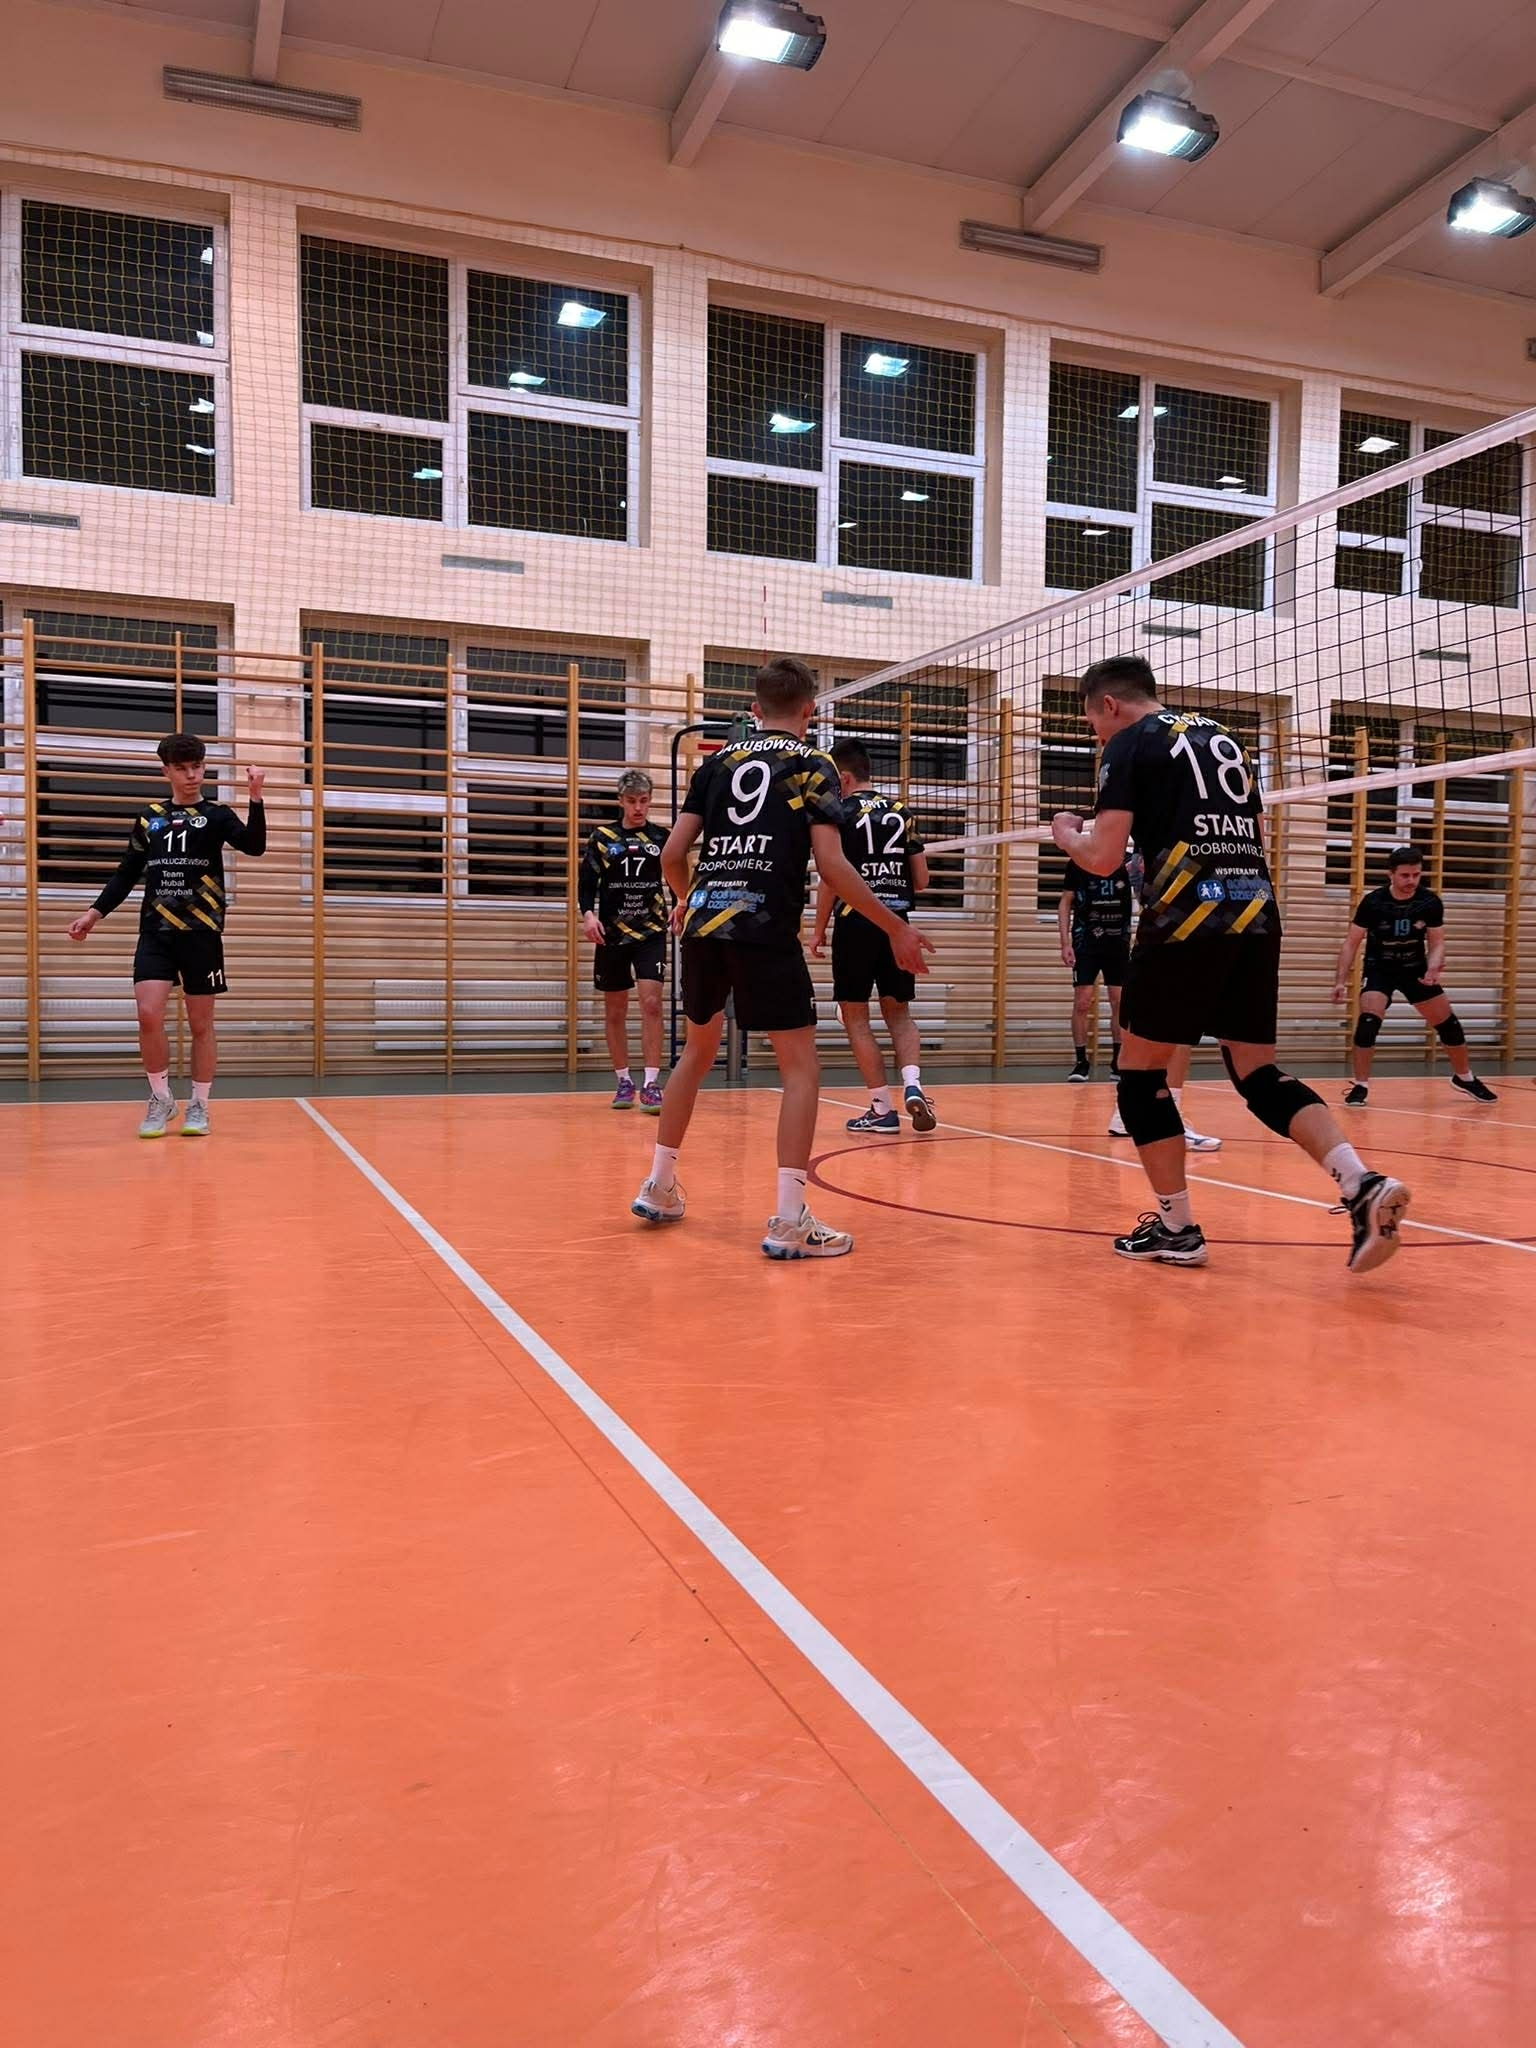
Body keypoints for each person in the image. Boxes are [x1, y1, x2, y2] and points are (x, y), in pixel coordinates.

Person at [1052, 656, 1408, 1273]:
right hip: (1255, 914)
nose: (1097, 737)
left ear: (1108, 705)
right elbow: (1252, 835)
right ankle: (1360, 1183)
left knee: (1139, 1077)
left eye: (1093, 724)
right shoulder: (1224, 738)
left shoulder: (1130, 742)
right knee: (1257, 1073)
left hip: (1185, 920)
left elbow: (1102, 857)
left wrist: (1066, 833)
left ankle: (1177, 1229)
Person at [630, 657, 933, 1258]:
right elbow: (833, 866)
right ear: (809, 710)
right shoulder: (813, 765)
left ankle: (659, 1186)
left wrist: (690, 899)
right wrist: (895, 926)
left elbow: (670, 854)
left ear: (754, 709)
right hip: (763, 926)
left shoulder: (716, 764)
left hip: (705, 925)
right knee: (800, 1068)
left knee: (695, 1053)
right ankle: (789, 1220)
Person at [65, 732, 267, 1138]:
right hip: (156, 931)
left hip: (201, 931)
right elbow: (127, 874)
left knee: (200, 1024)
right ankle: (161, 1098)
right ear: (166, 771)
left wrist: (255, 796)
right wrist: (93, 914)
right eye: (182, 768)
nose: (191, 775)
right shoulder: (150, 818)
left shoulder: (216, 815)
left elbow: (254, 846)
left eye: (197, 766)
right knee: (148, 1014)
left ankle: (199, 1104)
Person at [808, 737, 937, 1136]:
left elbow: (831, 877)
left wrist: (818, 930)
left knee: (856, 1017)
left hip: (856, 923)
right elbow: (922, 879)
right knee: (899, 1013)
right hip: (898, 925)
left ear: (844, 778)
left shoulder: (838, 813)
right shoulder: (901, 812)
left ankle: (882, 1109)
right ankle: (913, 1083)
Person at [1333, 846, 1497, 1106]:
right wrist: (1340, 981)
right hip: (1380, 969)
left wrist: (1433, 967)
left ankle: (1464, 1078)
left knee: (1450, 1026)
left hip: (1415, 969)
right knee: (1368, 1023)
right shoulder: (1374, 902)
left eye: (1416, 875)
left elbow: (1437, 942)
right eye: (1405, 875)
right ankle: (1360, 1085)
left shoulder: (1429, 902)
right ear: (1391, 875)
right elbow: (1351, 943)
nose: (1411, 881)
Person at [578, 769, 669, 1113]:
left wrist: (682, 903)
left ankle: (651, 1084)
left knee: (652, 1004)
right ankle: (623, 1081)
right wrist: (588, 915)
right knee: (615, 1009)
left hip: (650, 931)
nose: (638, 808)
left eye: (644, 801)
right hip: (612, 934)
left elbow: (678, 874)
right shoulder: (603, 837)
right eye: (632, 801)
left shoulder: (661, 837)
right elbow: (587, 883)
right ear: (620, 801)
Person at [1058, 855, 1130, 1083]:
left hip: (1117, 942)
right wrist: (1065, 943)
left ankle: (1118, 1062)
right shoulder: (1078, 861)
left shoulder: (1127, 862)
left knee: (1119, 1001)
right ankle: (1081, 1062)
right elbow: (1065, 901)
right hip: (1085, 942)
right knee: (1082, 1001)